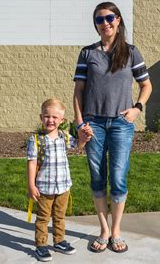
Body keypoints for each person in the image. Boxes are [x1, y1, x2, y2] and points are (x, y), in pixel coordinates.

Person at [72, 2, 153, 254]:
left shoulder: (131, 52)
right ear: (95, 24)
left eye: (109, 18)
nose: (105, 23)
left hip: (121, 124)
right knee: (98, 178)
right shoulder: (87, 53)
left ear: (118, 20)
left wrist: (136, 109)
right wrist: (80, 123)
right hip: (93, 123)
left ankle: (116, 230)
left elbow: (146, 85)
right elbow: (78, 92)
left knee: (118, 178)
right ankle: (104, 230)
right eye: (99, 19)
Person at [26, 98, 92, 262]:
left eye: (55, 117)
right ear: (41, 117)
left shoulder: (64, 136)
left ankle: (59, 241)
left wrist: (84, 137)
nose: (51, 120)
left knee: (59, 216)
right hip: (44, 188)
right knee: (43, 218)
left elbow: (79, 145)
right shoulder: (35, 140)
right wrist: (31, 185)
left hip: (63, 186)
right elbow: (32, 163)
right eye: (47, 116)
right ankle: (41, 245)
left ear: (62, 120)